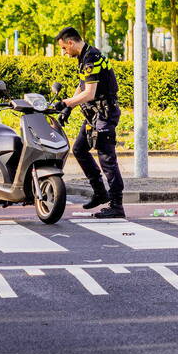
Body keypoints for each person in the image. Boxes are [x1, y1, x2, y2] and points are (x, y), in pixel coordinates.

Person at [54, 26, 124, 218]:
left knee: (107, 159)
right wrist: (71, 107)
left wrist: (64, 103)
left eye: (64, 48)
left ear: (70, 42)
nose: (64, 53)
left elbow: (90, 93)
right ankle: (100, 192)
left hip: (104, 115)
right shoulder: (85, 56)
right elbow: (83, 84)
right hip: (94, 115)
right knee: (79, 149)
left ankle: (117, 206)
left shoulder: (91, 58)